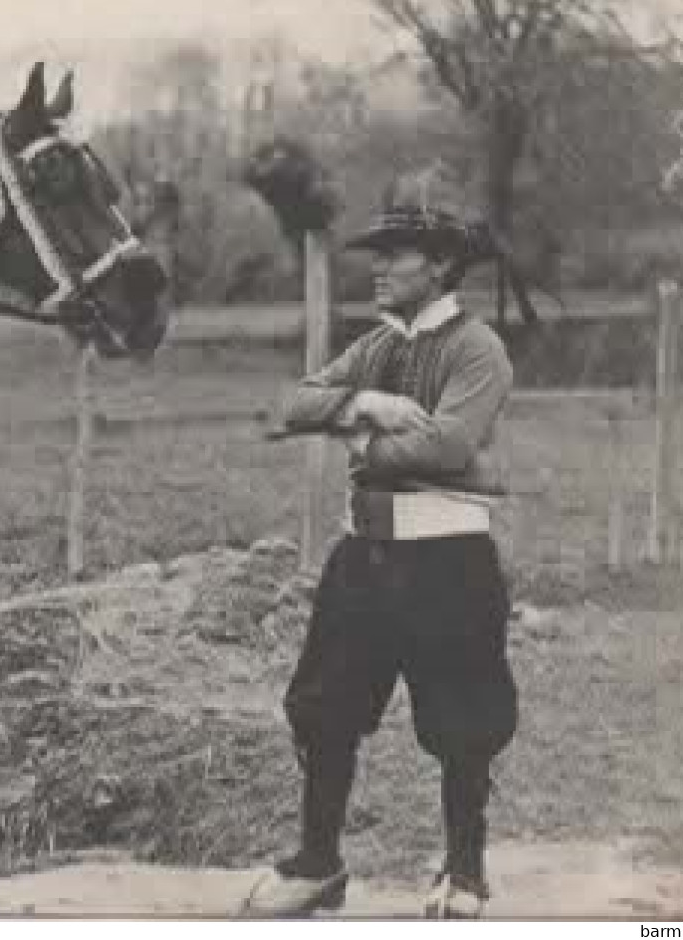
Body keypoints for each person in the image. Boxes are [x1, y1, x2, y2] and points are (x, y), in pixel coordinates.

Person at [243, 179, 520, 920]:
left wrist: (354, 438)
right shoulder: (372, 347)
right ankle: (316, 864)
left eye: (392, 255)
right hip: (361, 561)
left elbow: (448, 442)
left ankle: (463, 874)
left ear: (436, 265)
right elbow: (284, 407)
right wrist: (361, 401)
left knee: (462, 722)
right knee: (324, 709)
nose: (376, 268)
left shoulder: (478, 349)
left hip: (448, 564)